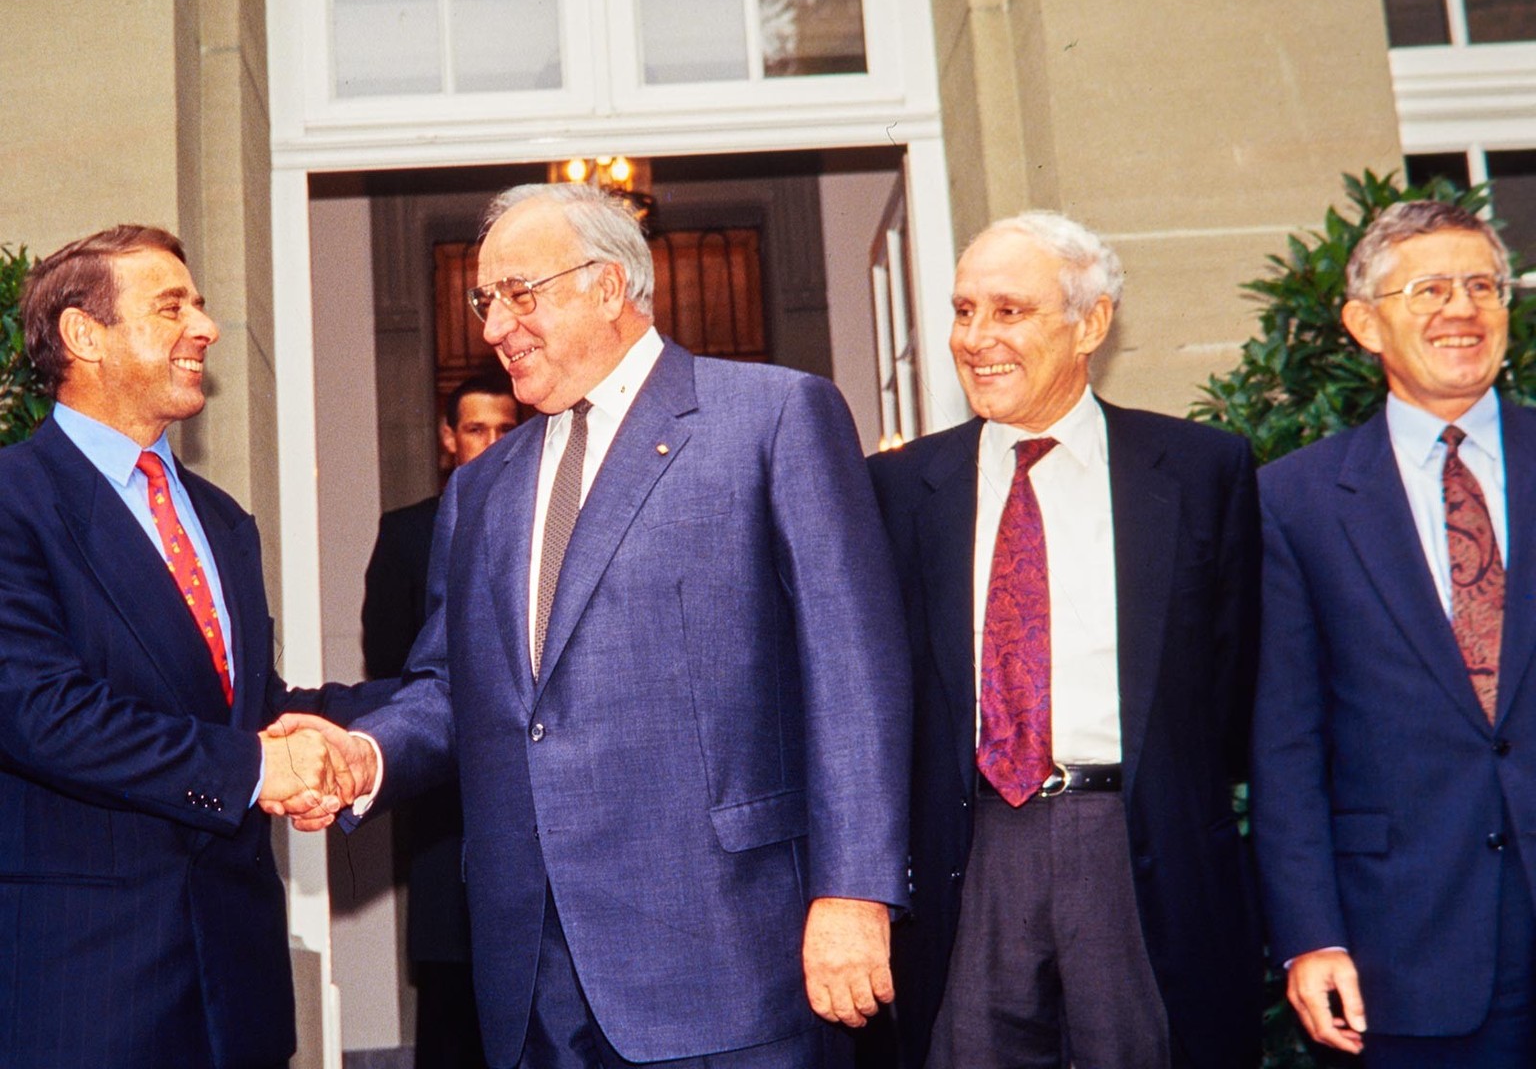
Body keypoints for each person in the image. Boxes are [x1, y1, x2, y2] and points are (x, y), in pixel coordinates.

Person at [292, 182, 911, 1068]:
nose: (495, 325)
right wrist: (366, 756)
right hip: (533, 972)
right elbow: (454, 690)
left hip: (728, 953)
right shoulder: (480, 490)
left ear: (608, 286)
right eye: (484, 300)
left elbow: (854, 675)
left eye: (520, 294)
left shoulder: (772, 418)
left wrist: (855, 892)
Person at [867, 211, 1264, 1069]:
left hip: (1134, 841)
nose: (976, 339)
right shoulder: (898, 490)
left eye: (1009, 311)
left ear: (1090, 324)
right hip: (969, 854)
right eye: (963, 310)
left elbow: (1234, 689)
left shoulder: (1199, 473)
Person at [0, 225, 380, 1068]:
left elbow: (249, 710)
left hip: (235, 993)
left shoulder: (221, 521)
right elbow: (37, 710)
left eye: (200, 305)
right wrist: (253, 770)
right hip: (86, 993)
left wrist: (372, 728)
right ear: (83, 336)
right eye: (171, 305)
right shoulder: (14, 502)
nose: (204, 328)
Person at [1251, 200, 1534, 1066]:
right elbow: (1286, 746)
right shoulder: (1294, 503)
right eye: (1431, 289)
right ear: (1364, 323)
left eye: (1481, 286)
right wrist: (1310, 937)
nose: (1462, 310)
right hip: (1405, 946)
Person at [361, 372, 517, 1069]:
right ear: (449, 439)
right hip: (445, 809)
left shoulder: (551, 515)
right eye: (476, 429)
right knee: (452, 1009)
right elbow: (396, 674)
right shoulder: (407, 535)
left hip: (539, 801)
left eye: (504, 430)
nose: (489, 443)